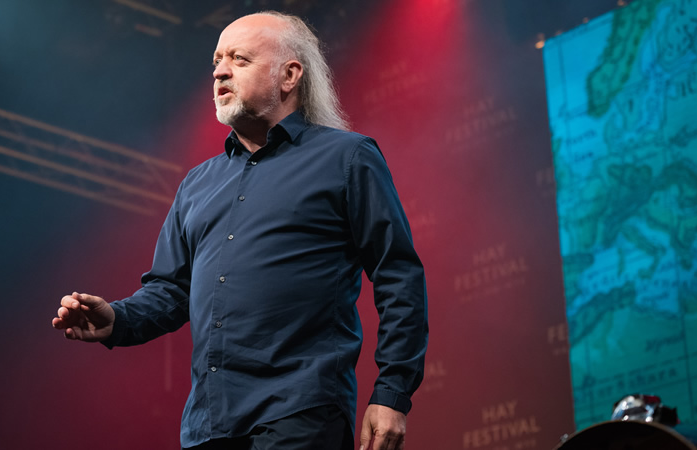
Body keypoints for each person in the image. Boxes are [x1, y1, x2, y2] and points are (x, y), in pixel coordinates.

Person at [52, 11, 428, 450]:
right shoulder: (197, 183)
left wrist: (392, 392)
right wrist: (116, 319)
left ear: (289, 76)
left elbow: (398, 276)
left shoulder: (347, 158)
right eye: (216, 60)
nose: (219, 71)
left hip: (301, 413)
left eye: (239, 59)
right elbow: (171, 291)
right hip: (208, 427)